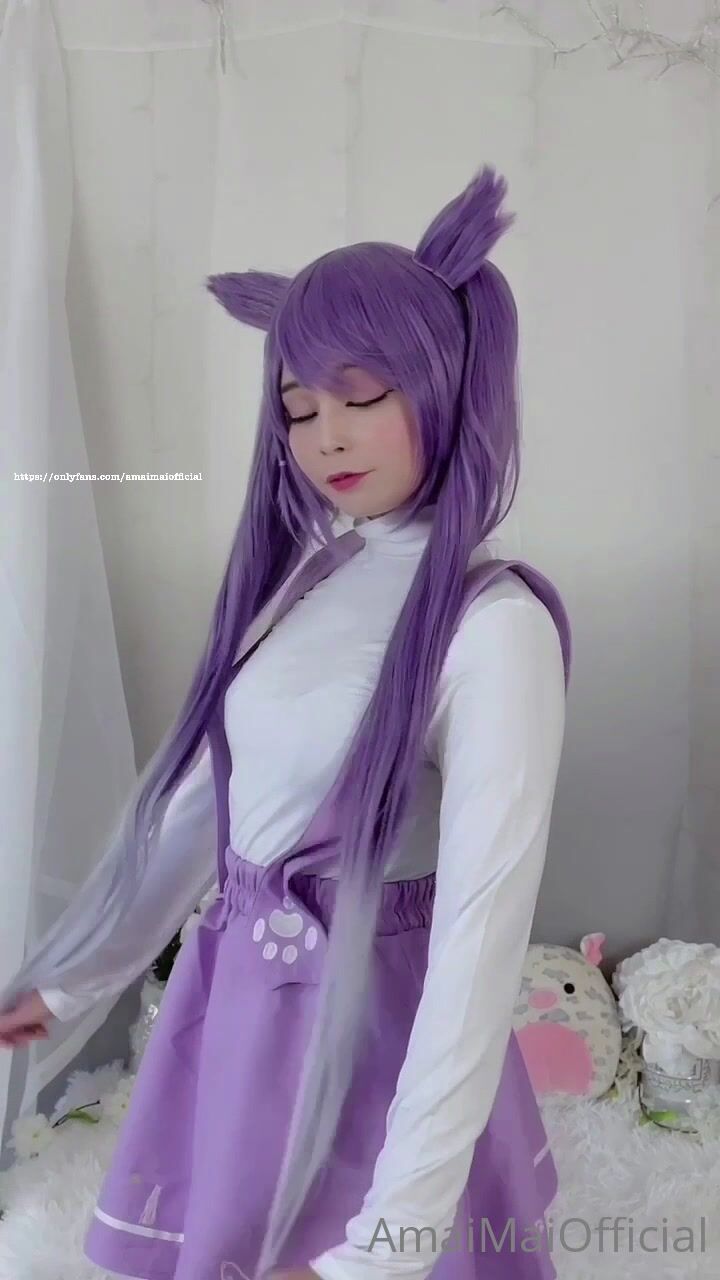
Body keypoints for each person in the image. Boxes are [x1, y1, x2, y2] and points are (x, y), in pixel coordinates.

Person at [0, 164, 571, 1280]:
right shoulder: (319, 576)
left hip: (374, 1039)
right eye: (301, 408)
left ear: (446, 380)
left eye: (360, 397)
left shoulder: (492, 626)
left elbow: (478, 942)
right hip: (248, 1021)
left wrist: (390, 1242)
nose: (324, 438)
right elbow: (210, 811)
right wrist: (71, 983)